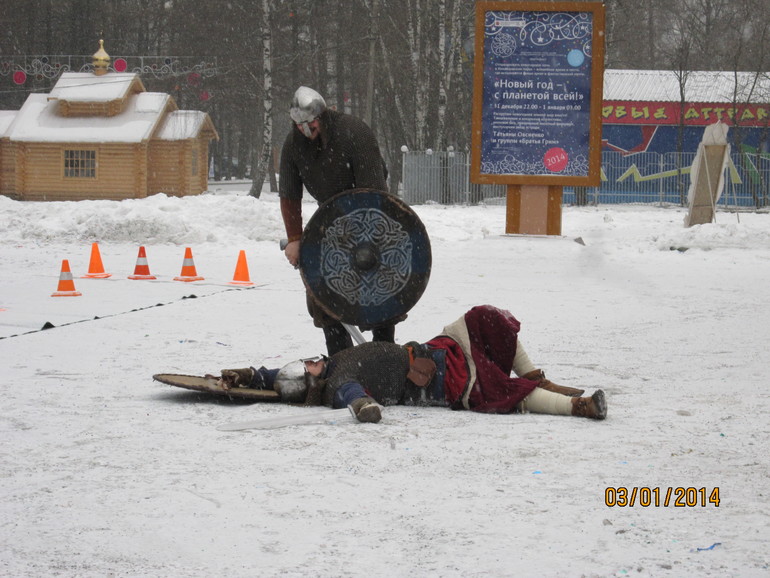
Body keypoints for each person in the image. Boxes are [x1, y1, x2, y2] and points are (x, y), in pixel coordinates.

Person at [213, 305, 607, 424]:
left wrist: (248, 375)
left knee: (487, 318)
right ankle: (577, 406)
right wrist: (364, 408)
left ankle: (540, 377)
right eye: (307, 367)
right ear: (311, 380)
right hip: (443, 382)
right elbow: (355, 398)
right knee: (503, 394)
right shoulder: (337, 383)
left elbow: (276, 378)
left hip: (438, 348)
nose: (309, 362)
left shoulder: (330, 364)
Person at [279, 86, 396, 356]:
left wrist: (367, 239)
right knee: (323, 293)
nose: (305, 130)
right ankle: (341, 359)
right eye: (299, 125)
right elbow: (289, 195)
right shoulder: (293, 144)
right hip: (329, 219)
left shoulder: (354, 132)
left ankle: (384, 356)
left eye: (310, 123)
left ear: (323, 115)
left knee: (380, 291)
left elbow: (373, 190)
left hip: (373, 216)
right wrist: (295, 239)